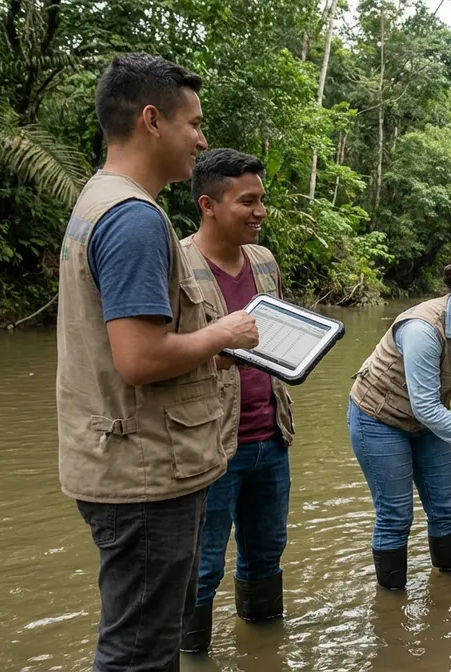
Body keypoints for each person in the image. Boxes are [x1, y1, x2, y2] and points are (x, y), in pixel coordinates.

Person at [57, 53, 259, 672]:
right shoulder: (136, 220)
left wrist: (204, 355)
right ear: (151, 120)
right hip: (142, 472)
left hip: (118, 457)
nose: (202, 139)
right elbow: (140, 358)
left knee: (142, 638)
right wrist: (223, 332)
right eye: (193, 124)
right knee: (140, 651)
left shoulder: (99, 199)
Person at [177, 149, 297, 653]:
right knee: (202, 566)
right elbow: (158, 355)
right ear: (208, 204)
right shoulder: (176, 261)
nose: (260, 211)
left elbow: (276, 334)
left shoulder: (264, 261)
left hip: (271, 434)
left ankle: (265, 651)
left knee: (267, 554)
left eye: (261, 200)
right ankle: (191, 654)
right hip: (209, 444)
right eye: (247, 201)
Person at [348, 255, 451, 591]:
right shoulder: (423, 329)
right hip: (379, 419)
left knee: (445, 510)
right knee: (396, 516)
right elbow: (425, 406)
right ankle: (392, 607)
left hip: (428, 422)